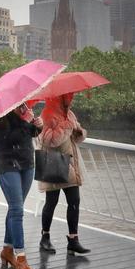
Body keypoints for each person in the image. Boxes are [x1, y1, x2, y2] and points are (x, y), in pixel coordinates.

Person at [0, 103, 43, 269]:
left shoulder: (23, 109)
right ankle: (21, 259)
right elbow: (8, 138)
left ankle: (6, 250)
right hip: (7, 164)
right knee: (17, 210)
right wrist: (24, 120)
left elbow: (30, 134)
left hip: (27, 163)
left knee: (14, 208)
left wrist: (37, 126)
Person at [39, 93, 91, 255]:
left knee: (74, 201)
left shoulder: (69, 114)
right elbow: (50, 141)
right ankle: (45, 237)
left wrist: (78, 132)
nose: (70, 99)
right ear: (59, 97)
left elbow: (75, 138)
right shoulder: (47, 115)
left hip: (69, 163)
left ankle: (73, 240)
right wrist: (68, 126)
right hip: (53, 162)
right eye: (67, 97)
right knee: (51, 202)